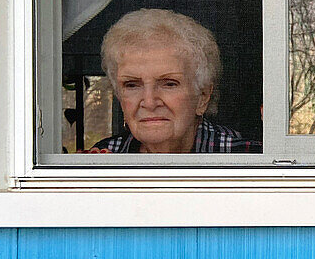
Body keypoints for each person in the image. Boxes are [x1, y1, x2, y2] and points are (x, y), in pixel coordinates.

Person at [89, 9, 260, 153]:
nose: (149, 102)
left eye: (169, 84)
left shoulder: (248, 160)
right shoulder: (104, 158)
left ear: (203, 97)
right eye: (132, 85)